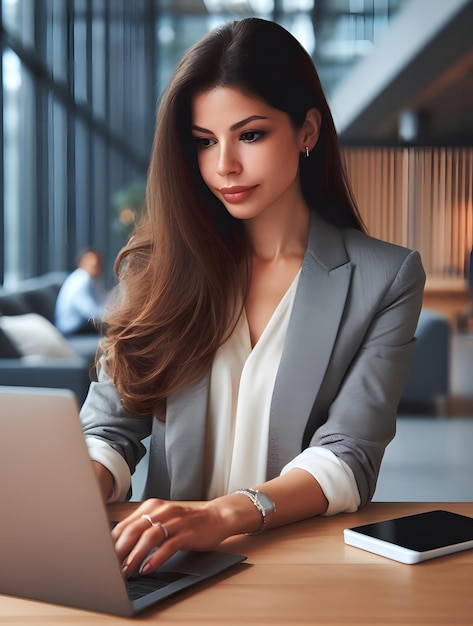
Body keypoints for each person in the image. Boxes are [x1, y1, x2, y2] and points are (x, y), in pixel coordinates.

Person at [80, 18, 425, 578]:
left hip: (293, 568)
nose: (224, 167)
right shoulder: (157, 268)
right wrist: (74, 494)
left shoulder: (384, 277)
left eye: (251, 134)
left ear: (307, 130)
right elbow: (110, 428)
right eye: (204, 142)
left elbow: (348, 457)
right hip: (159, 568)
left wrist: (224, 515)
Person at [55, 248, 106, 335]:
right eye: (90, 261)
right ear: (81, 263)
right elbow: (89, 311)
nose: (94, 263)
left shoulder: (93, 280)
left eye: (97, 262)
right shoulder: (81, 279)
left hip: (80, 324)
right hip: (71, 328)